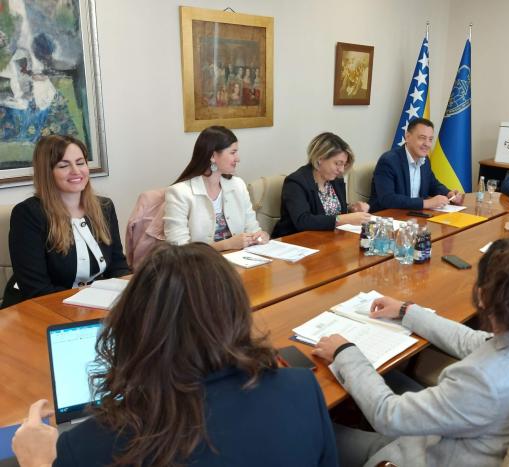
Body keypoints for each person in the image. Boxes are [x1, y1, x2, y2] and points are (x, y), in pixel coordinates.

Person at [11, 243, 338, 466]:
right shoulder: (302, 389)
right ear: (236, 312)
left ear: (134, 325)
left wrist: (37, 461)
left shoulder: (91, 444)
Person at [313, 237, 509, 467]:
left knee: (310, 429)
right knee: (387, 378)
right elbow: (470, 340)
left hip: (424, 454)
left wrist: (345, 353)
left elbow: (387, 414)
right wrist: (406, 311)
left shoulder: (483, 380)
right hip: (465, 435)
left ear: (482, 295)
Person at [2, 135, 129, 308]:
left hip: (92, 306)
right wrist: (88, 303)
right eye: (63, 165)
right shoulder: (28, 214)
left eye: (80, 163)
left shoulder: (104, 207)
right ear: (47, 172)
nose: (76, 171)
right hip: (37, 308)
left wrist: (128, 293)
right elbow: (36, 289)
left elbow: (118, 265)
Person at [164, 126, 269, 250]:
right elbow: (179, 250)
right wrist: (226, 245)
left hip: (242, 258)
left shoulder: (238, 185)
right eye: (232, 152)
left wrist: (261, 236)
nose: (238, 158)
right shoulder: (179, 193)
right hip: (201, 262)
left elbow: (253, 229)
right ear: (213, 156)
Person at [272, 132, 371, 237]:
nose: (341, 170)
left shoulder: (336, 179)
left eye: (344, 164)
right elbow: (303, 221)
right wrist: (344, 219)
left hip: (327, 238)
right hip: (296, 241)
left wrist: (351, 209)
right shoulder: (296, 182)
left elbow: (332, 210)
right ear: (320, 159)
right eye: (338, 163)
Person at [368, 118, 464, 212]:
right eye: (422, 138)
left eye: (430, 139)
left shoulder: (425, 160)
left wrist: (448, 193)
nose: (427, 144)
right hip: (386, 216)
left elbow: (433, 184)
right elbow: (387, 199)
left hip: (414, 215)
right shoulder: (388, 161)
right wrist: (426, 203)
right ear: (407, 137)